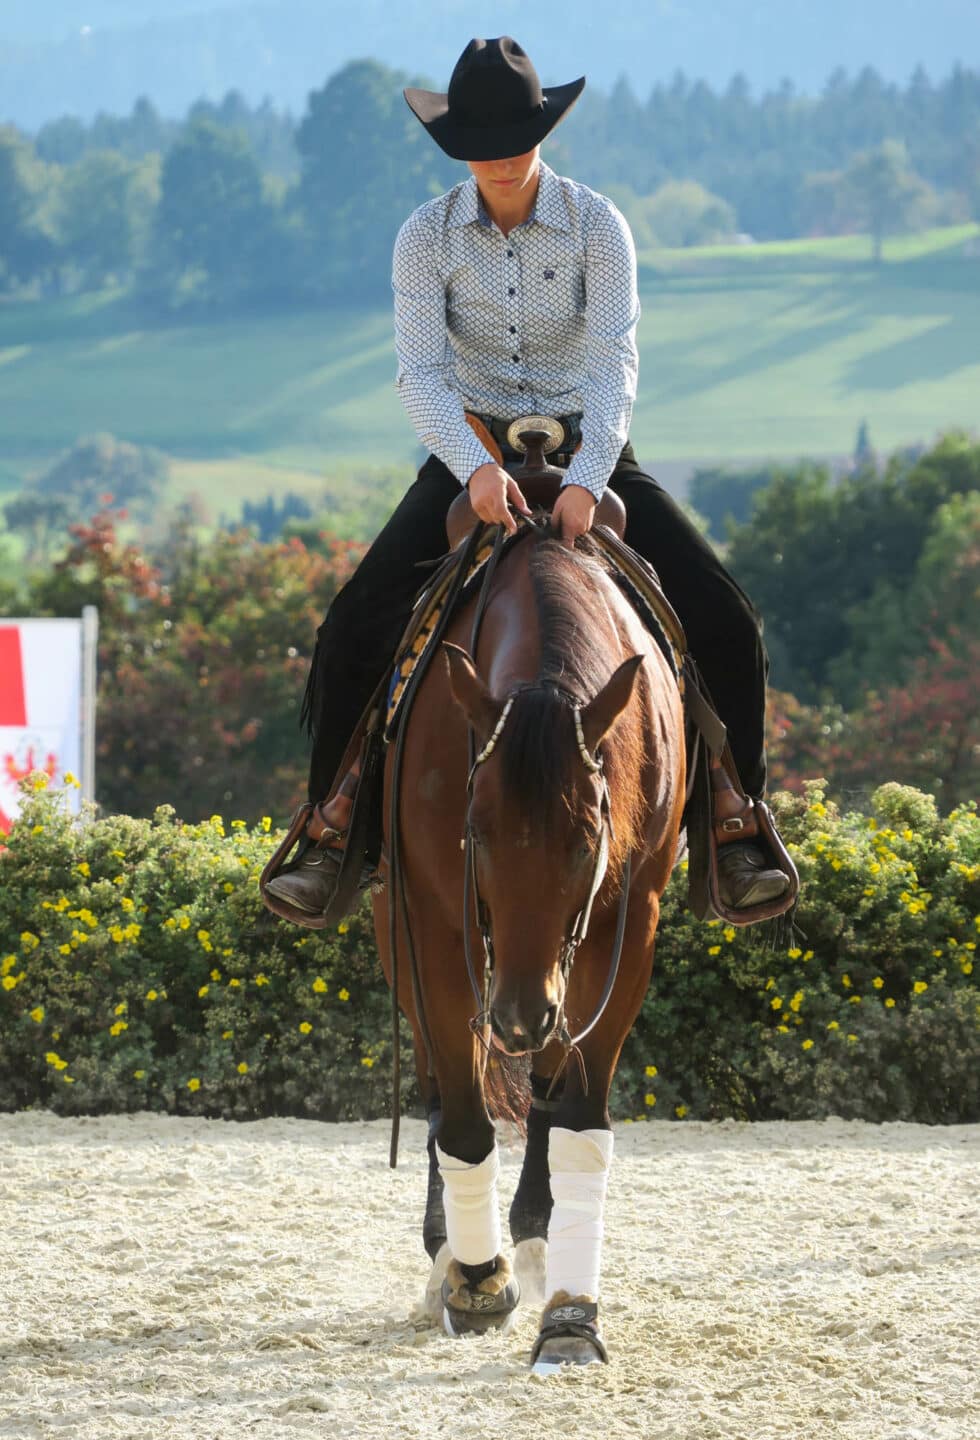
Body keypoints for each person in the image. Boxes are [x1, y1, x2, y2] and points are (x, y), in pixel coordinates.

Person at [265, 36, 789, 919]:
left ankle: (731, 827)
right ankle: (334, 827)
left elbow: (613, 362)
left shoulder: (598, 224)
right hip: (467, 450)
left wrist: (587, 477)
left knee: (726, 617)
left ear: (545, 132)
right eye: (483, 143)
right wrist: (473, 469)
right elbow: (421, 374)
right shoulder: (424, 237)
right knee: (355, 623)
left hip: (591, 446)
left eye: (517, 137)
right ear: (456, 147)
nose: (503, 157)